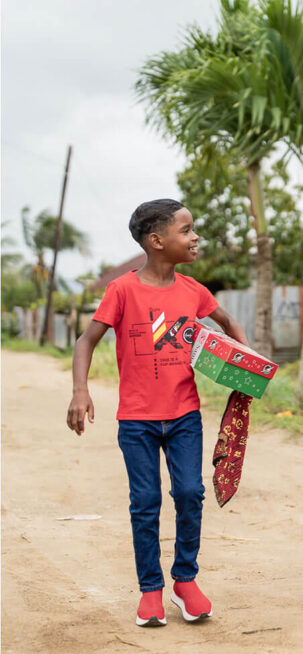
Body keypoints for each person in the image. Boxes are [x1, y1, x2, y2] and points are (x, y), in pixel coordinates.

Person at [66, 199, 249, 626]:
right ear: (157, 241)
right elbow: (84, 341)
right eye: (186, 230)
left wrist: (246, 365)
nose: (194, 236)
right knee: (145, 502)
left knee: (189, 494)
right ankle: (150, 590)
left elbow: (229, 325)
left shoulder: (193, 290)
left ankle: (185, 582)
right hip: (137, 420)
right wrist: (80, 391)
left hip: (185, 415)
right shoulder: (122, 290)